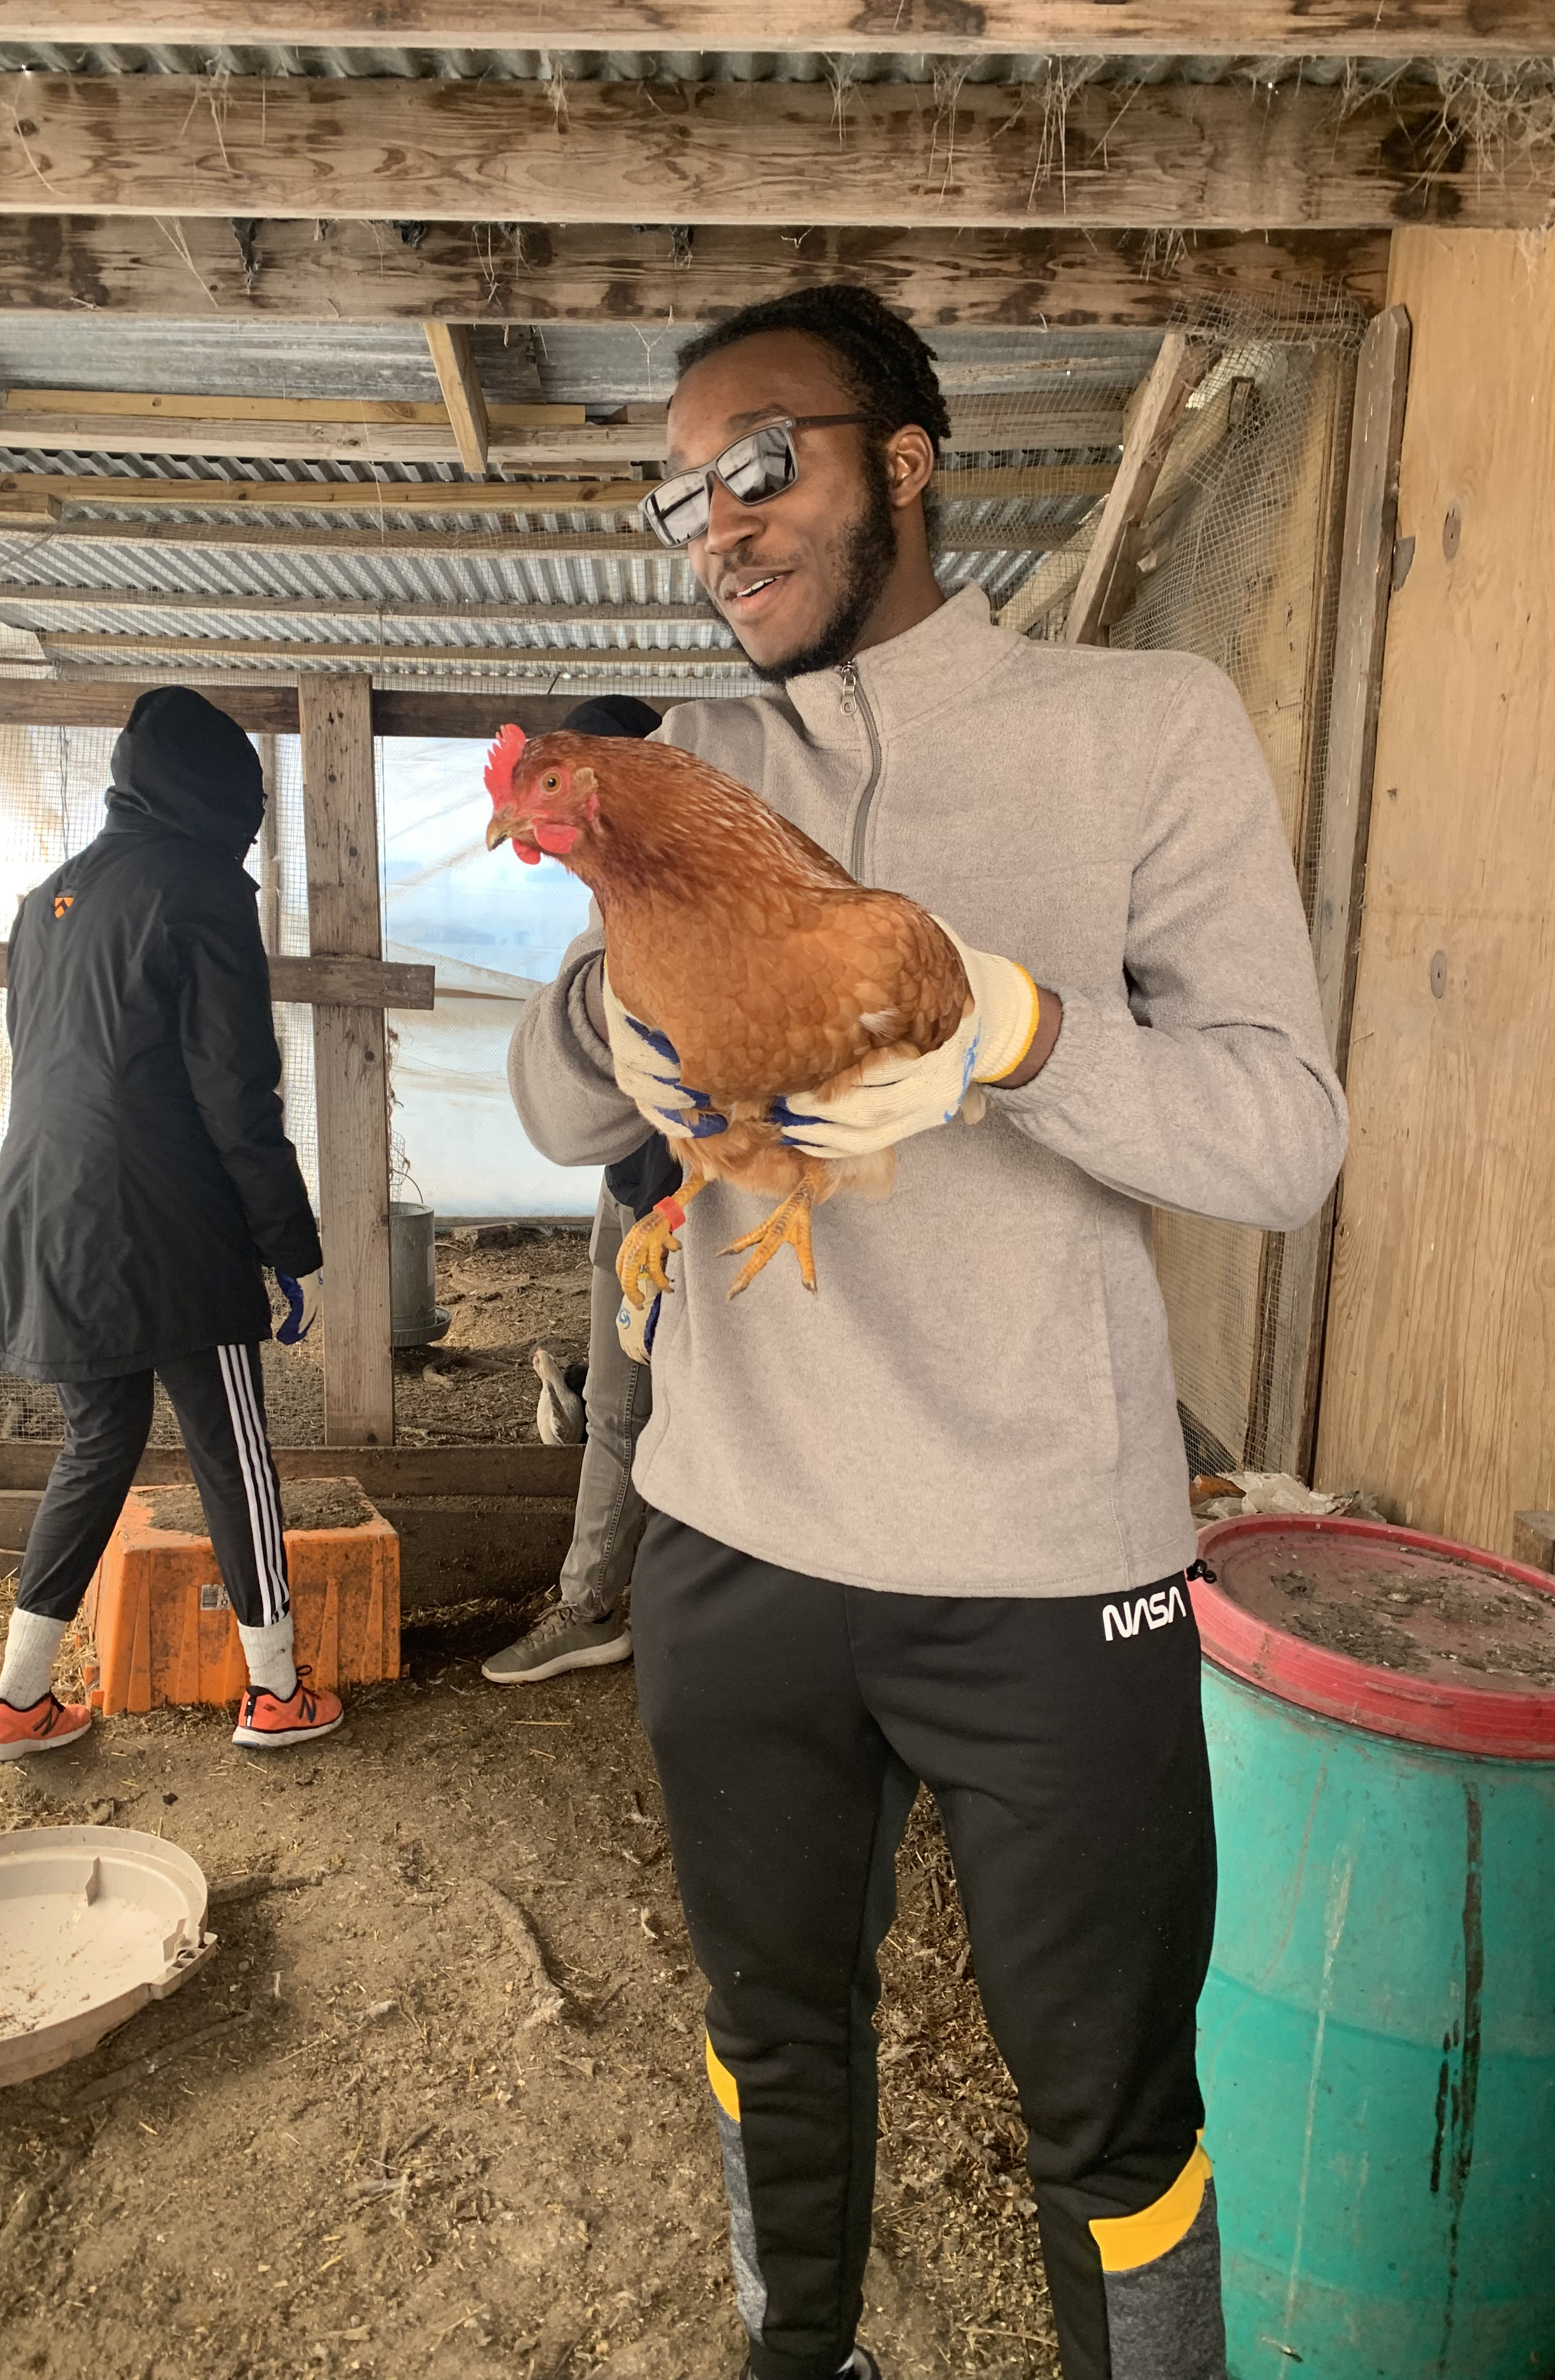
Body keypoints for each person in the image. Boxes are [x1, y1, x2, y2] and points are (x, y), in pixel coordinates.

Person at [507, 286, 1348, 2380]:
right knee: (770, 2037)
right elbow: (544, 1108)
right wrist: (627, 1009)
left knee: (1109, 2114)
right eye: (676, 491)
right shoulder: (680, 762)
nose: (715, 519)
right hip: (733, 1541)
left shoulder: (1140, 727)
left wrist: (1017, 1029)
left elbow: (1283, 1140)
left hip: (1050, 1573)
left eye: (760, 458)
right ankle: (799, 2357)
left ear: (905, 457)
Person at [0, 685, 340, 1760]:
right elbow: (236, 1091)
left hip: (41, 1215)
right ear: (216, 796)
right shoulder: (202, 891)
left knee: (101, 1439)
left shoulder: (44, 901)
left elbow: (53, 1068)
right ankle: (275, 1692)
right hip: (168, 1229)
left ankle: (16, 1700)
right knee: (233, 1450)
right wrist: (287, 1245)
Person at [482, 697, 681, 1687]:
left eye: (551, 789)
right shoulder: (615, 908)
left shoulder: (672, 905)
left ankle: (591, 1605)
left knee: (628, 1407)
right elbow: (563, 1111)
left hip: (684, 1204)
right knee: (620, 1402)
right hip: (634, 1191)